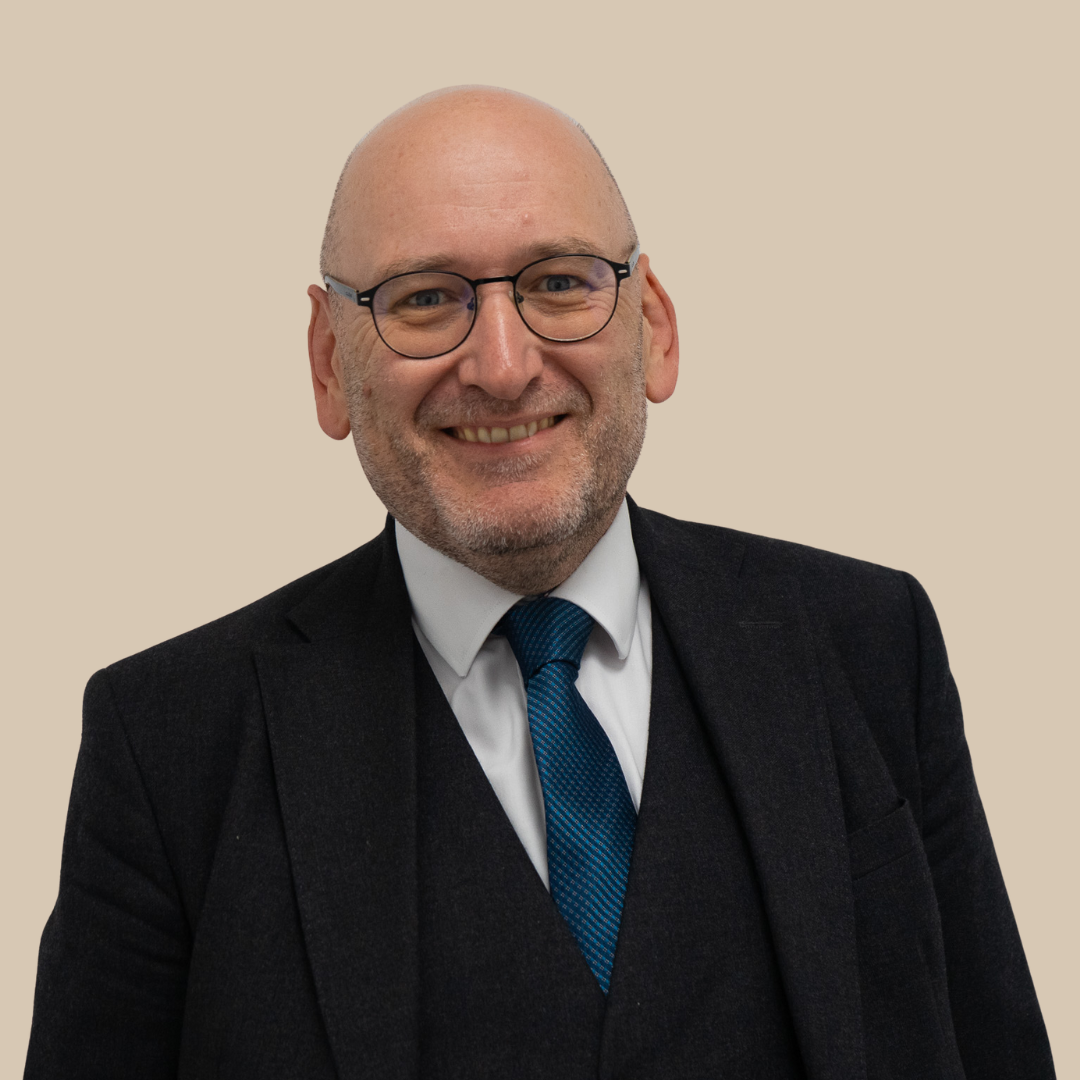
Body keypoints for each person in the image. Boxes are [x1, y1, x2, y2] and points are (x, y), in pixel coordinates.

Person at [25, 86, 1054, 1079]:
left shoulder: (870, 645)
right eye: (425, 299)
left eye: (560, 283)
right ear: (330, 363)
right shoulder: (167, 746)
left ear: (654, 327)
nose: (504, 365)